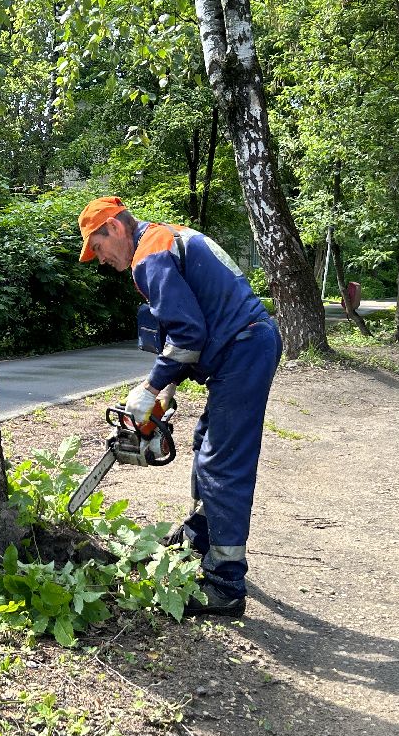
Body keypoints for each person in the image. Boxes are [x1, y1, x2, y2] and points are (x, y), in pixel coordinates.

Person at [78, 196, 282, 617]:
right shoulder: (164, 237)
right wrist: (167, 390)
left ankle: (225, 582)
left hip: (242, 350)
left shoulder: (149, 255)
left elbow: (188, 336)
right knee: (206, 440)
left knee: (222, 462)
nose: (100, 260)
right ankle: (199, 537)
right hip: (240, 346)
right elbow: (195, 327)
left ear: (114, 228)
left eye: (97, 247)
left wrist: (151, 386)